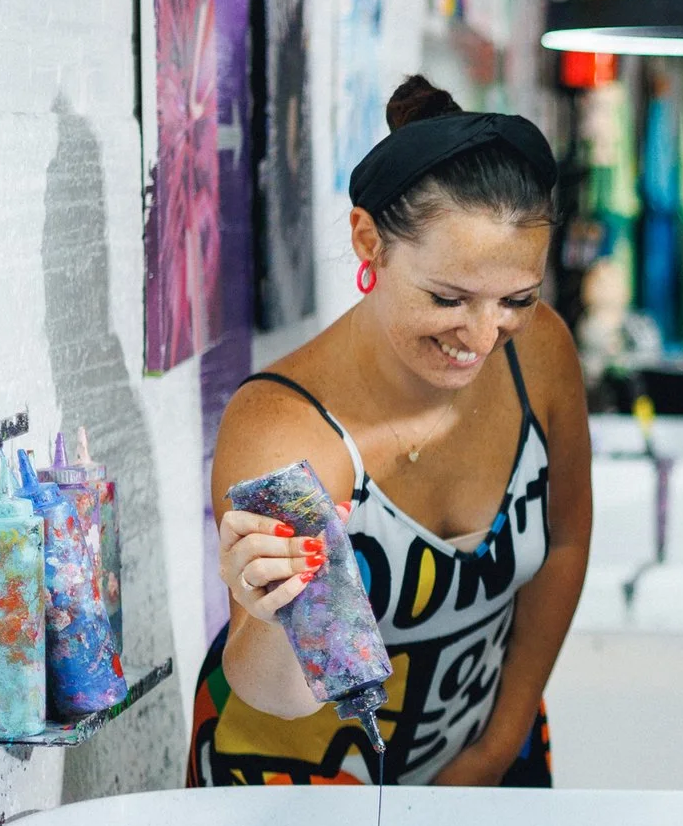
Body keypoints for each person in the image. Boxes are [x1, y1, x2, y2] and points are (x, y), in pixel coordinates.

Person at [191, 77, 594, 786]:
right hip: (297, 793)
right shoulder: (287, 426)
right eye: (448, 297)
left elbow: (564, 543)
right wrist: (273, 613)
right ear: (368, 242)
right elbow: (280, 692)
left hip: (485, 752)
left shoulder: (539, 353)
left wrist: (498, 745)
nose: (482, 336)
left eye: (517, 299)